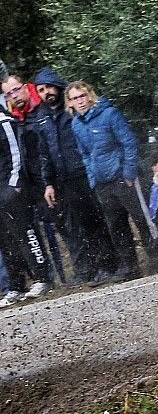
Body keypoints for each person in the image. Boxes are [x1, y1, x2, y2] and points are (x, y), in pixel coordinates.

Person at [32, 67, 118, 285]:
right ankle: (100, 267)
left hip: (85, 172)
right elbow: (45, 153)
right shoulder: (42, 117)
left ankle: (113, 263)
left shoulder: (72, 111)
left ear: (58, 87)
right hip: (64, 180)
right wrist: (48, 183)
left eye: (49, 87)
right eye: (41, 90)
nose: (46, 93)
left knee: (102, 219)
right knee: (85, 225)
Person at [68, 81, 150, 282]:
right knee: (117, 226)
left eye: (82, 96)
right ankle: (130, 267)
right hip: (102, 183)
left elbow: (129, 142)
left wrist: (129, 173)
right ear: (69, 103)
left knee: (142, 219)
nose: (80, 101)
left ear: (90, 95)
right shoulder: (76, 124)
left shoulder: (109, 114)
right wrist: (92, 179)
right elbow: (85, 154)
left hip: (122, 177)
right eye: (75, 98)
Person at [1, 74, 65, 283]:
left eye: (16, 89)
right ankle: (21, 283)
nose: (14, 95)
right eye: (8, 93)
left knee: (57, 226)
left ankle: (48, 277)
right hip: (31, 183)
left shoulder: (36, 111)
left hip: (45, 179)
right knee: (12, 238)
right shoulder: (17, 116)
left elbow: (16, 154)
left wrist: (14, 183)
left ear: (26, 87)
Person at [0, 105, 52, 307]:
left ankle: (43, 278)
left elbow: (16, 153)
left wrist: (14, 184)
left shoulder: (3, 121)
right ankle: (16, 286)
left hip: (10, 189)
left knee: (26, 233)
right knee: (6, 241)